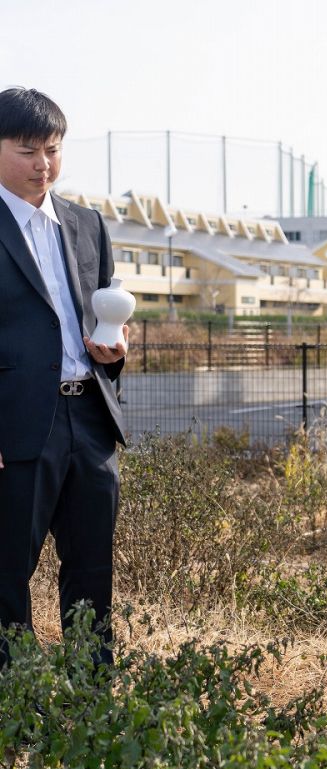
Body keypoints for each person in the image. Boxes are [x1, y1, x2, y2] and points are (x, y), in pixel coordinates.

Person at [0, 88, 129, 667]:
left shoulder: (85, 224)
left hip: (90, 422)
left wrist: (114, 347)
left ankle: (91, 703)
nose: (42, 165)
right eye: (28, 150)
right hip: (17, 426)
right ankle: (17, 706)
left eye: (52, 150)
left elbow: (102, 311)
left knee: (92, 571)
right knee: (7, 573)